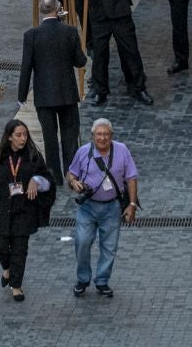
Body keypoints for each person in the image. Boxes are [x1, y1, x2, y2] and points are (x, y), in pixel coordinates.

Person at [0, 118, 52, 303]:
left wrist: (36, 180)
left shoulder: (34, 156)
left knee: (20, 250)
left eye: (25, 134)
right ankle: (7, 269)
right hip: (0, 209)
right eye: (19, 135)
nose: (23, 138)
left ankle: (16, 286)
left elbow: (47, 180)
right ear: (9, 137)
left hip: (23, 209)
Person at [65, 119, 139, 298]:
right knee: (82, 242)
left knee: (109, 247)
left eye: (106, 134)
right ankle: (83, 279)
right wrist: (74, 183)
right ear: (92, 136)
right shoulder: (83, 152)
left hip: (112, 207)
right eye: (99, 134)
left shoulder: (122, 150)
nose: (103, 138)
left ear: (111, 136)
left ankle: (102, 280)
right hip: (88, 207)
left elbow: (131, 178)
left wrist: (132, 205)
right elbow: (70, 174)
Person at [17, 0, 86, 182]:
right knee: (69, 135)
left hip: (44, 96)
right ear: (57, 8)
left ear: (41, 11)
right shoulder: (70, 32)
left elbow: (26, 67)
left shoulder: (31, 35)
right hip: (67, 95)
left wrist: (21, 95)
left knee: (50, 138)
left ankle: (55, 176)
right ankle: (72, 174)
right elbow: (80, 61)